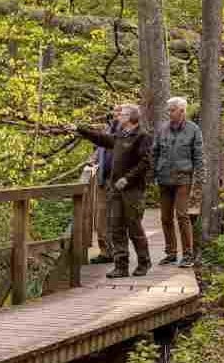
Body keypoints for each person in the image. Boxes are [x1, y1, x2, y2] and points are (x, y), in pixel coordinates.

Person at [74, 104, 152, 278]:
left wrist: (128, 178)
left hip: (133, 190)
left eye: (122, 114)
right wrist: (80, 129)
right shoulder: (120, 135)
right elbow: (101, 139)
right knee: (115, 227)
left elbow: (146, 162)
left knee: (134, 227)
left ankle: (144, 262)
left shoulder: (142, 137)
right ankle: (121, 266)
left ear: (131, 117)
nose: (118, 116)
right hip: (115, 188)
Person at [153, 97, 203, 268]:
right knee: (165, 217)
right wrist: (153, 174)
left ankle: (188, 254)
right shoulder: (162, 129)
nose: (169, 112)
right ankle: (171, 253)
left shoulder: (193, 129)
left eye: (172, 109)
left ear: (182, 111)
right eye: (169, 109)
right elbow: (155, 152)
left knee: (182, 215)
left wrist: (199, 180)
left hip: (183, 178)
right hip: (164, 178)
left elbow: (198, 156)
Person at [87, 105, 121, 264]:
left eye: (121, 112)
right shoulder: (107, 130)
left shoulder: (129, 133)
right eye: (115, 111)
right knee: (101, 216)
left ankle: (118, 251)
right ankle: (105, 251)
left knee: (116, 217)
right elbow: (99, 149)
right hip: (102, 179)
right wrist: (92, 161)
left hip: (118, 182)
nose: (117, 114)